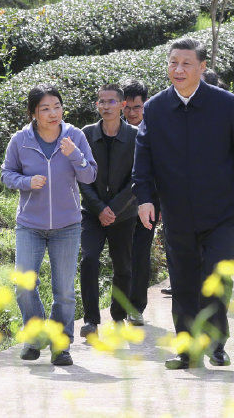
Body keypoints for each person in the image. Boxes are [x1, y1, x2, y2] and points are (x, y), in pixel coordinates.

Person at [132, 37, 234, 369]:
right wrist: (145, 199)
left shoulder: (226, 103)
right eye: (173, 62)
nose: (178, 69)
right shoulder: (157, 108)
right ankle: (187, 349)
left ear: (202, 67)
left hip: (221, 211)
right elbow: (142, 157)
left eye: (186, 63)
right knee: (184, 281)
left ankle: (216, 342)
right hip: (176, 213)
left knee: (215, 278)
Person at [1, 84, 97, 366]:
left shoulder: (75, 136)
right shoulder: (20, 140)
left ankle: (60, 345)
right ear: (33, 113)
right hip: (30, 224)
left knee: (64, 291)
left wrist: (75, 155)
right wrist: (26, 182)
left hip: (67, 226)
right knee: (24, 284)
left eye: (57, 106)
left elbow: (90, 175)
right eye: (45, 108)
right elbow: (7, 174)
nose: (53, 113)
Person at [79, 84, 138, 338]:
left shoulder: (136, 136)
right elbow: (81, 175)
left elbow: (138, 177)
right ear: (96, 105)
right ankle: (91, 319)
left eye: (111, 102)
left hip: (123, 214)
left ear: (122, 105)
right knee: (89, 260)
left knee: (123, 266)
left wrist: (113, 208)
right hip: (91, 212)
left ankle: (118, 315)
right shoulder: (86, 134)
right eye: (101, 102)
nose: (106, 106)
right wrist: (99, 208)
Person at [119, 78, 163, 324]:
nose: (132, 113)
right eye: (128, 108)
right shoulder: (115, 128)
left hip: (147, 201)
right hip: (117, 204)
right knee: (121, 256)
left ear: (146, 105)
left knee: (140, 253)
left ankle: (136, 307)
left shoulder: (156, 129)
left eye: (137, 107)